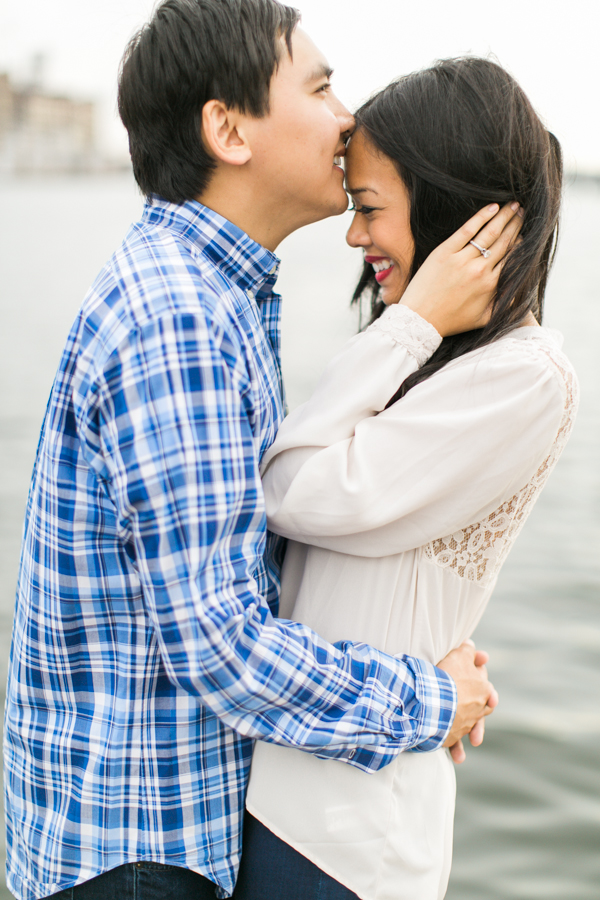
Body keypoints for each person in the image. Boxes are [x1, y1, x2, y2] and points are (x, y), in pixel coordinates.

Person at [4, 4, 516, 898]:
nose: (348, 116)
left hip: (139, 827)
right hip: (137, 847)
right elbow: (222, 648)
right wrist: (429, 703)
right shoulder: (180, 319)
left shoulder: (212, 292)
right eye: (319, 87)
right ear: (227, 129)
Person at [239, 58, 579, 900]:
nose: (355, 237)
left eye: (369, 209)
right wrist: (414, 329)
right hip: (293, 800)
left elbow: (290, 492)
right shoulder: (431, 357)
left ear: (454, 208)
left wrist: (415, 320)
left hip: (346, 835)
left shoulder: (524, 376)